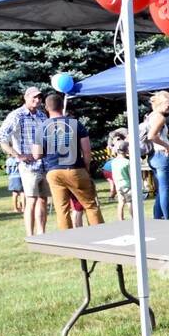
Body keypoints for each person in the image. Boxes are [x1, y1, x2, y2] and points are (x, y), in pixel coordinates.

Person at [33, 91, 104, 231]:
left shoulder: (42, 127)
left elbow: (36, 155)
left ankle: (68, 241)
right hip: (75, 168)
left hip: (54, 172)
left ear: (46, 108)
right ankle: (100, 234)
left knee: (62, 209)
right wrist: (87, 167)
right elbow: (87, 151)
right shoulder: (75, 124)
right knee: (90, 205)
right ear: (61, 106)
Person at [0, 86, 49, 237]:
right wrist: (18, 156)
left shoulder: (42, 116)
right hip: (28, 167)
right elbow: (0, 138)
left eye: (39, 97)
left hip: (44, 164)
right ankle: (30, 235)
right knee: (31, 200)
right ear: (26, 98)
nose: (37, 100)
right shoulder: (17, 115)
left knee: (43, 200)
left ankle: (42, 233)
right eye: (34, 97)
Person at [146, 91, 169, 220]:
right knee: (164, 189)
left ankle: (158, 217)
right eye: (168, 105)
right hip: (160, 155)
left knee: (160, 191)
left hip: (153, 156)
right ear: (161, 103)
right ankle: (167, 217)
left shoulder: (150, 116)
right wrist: (167, 146)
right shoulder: (160, 117)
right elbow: (152, 136)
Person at [107, 128, 133, 222]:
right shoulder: (127, 162)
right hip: (128, 185)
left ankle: (120, 219)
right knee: (130, 202)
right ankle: (133, 217)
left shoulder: (113, 162)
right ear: (126, 151)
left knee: (121, 202)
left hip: (118, 185)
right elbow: (131, 175)